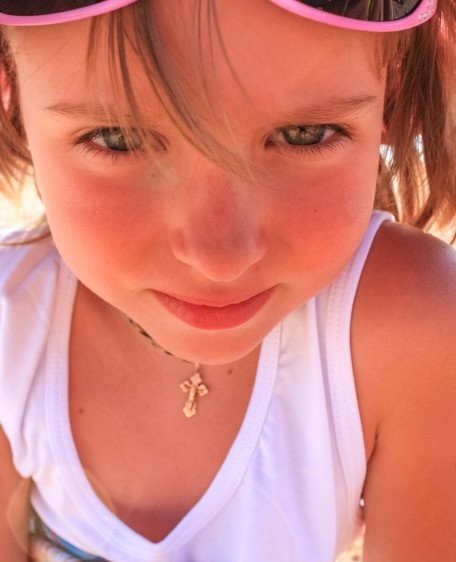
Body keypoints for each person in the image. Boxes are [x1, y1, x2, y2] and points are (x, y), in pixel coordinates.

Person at [0, 0, 455, 560]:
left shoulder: (415, 335)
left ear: (393, 89)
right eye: (117, 139)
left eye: (304, 134)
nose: (219, 259)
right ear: (12, 94)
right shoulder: (9, 330)